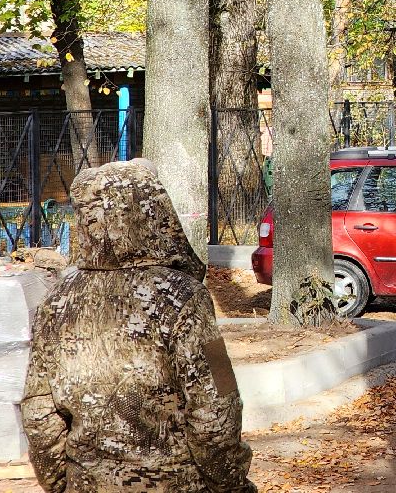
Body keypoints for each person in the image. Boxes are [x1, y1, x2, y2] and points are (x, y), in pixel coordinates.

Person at [20, 160, 257, 493]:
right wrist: (233, 485)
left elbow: (38, 411)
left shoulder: (57, 301)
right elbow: (218, 406)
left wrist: (62, 482)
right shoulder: (187, 298)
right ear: (155, 211)